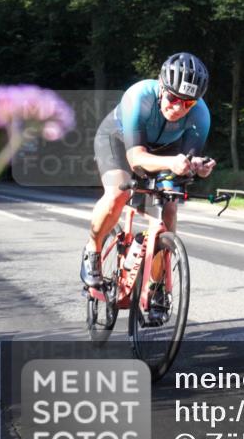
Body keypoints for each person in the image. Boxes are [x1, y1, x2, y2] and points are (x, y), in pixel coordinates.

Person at [80, 52, 217, 288]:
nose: (178, 107)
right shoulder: (138, 96)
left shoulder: (201, 115)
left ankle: (158, 285)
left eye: (188, 103)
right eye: (174, 98)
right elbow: (136, 160)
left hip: (165, 148)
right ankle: (93, 247)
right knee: (118, 195)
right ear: (162, 87)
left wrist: (197, 167)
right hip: (119, 140)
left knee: (169, 208)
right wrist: (172, 163)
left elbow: (187, 161)